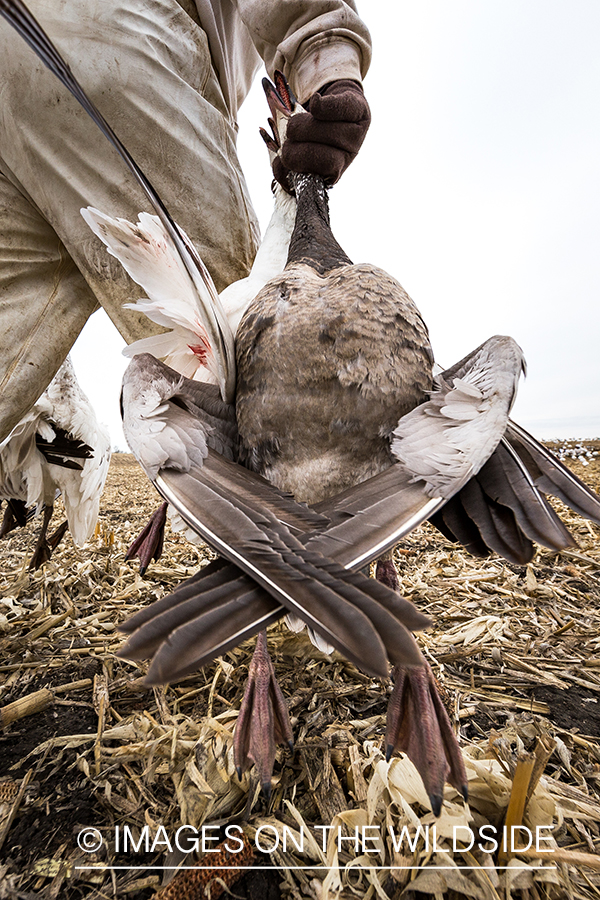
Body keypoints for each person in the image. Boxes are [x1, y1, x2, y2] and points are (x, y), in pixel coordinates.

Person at [0, 0, 371, 443]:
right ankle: (230, 508)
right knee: (251, 361)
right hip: (121, 46)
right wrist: (328, 56)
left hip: (10, 58)